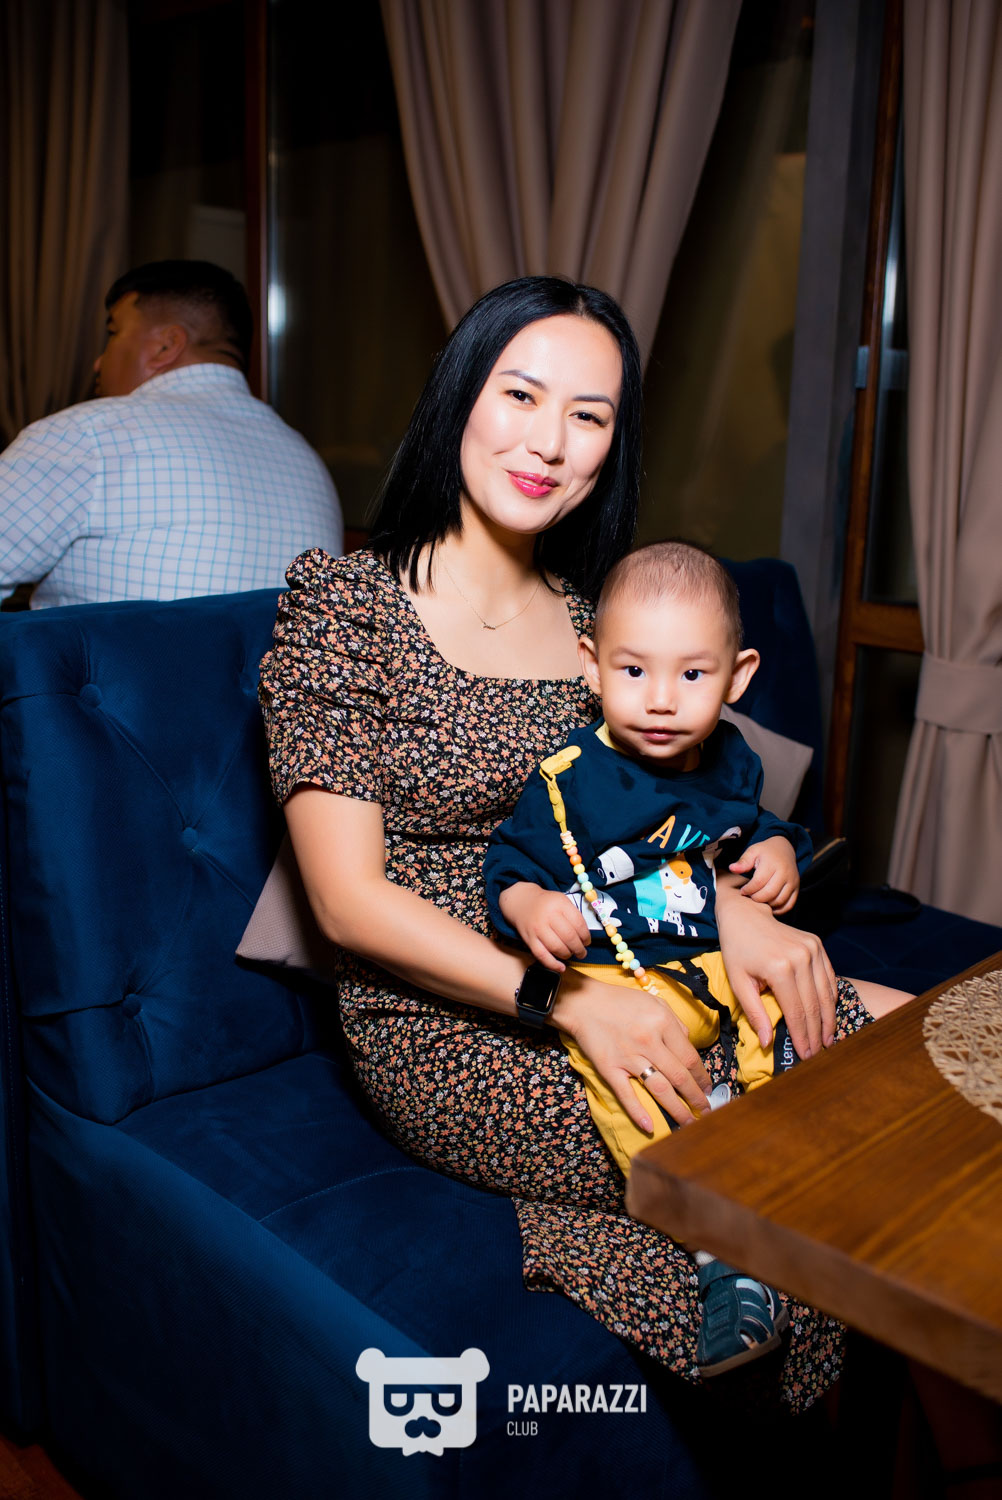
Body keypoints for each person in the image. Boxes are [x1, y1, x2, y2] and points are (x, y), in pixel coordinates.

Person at [258, 275, 905, 1410]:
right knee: (804, 1135)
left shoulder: (595, 624)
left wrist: (733, 911)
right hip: (451, 1018)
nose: (549, 442)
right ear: (462, 394)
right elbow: (348, 903)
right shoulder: (345, 606)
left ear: (612, 447)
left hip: (640, 952)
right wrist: (562, 1000)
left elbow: (658, 821)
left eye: (589, 415)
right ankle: (656, 1256)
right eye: (521, 394)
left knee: (914, 1046)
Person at [484, 540, 819, 1375]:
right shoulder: (570, 777)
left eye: (692, 675)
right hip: (617, 974)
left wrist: (780, 851)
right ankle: (717, 1246)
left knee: (789, 1011)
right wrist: (530, 907)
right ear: (592, 665)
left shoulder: (734, 758)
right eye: (634, 671)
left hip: (712, 962)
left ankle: (773, 1157)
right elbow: (510, 865)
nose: (662, 700)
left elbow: (756, 827)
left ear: (737, 677)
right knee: (627, 1083)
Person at [0, 260, 343, 608]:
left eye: (113, 333)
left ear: (166, 346)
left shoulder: (89, 435)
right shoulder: (309, 463)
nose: (98, 363)